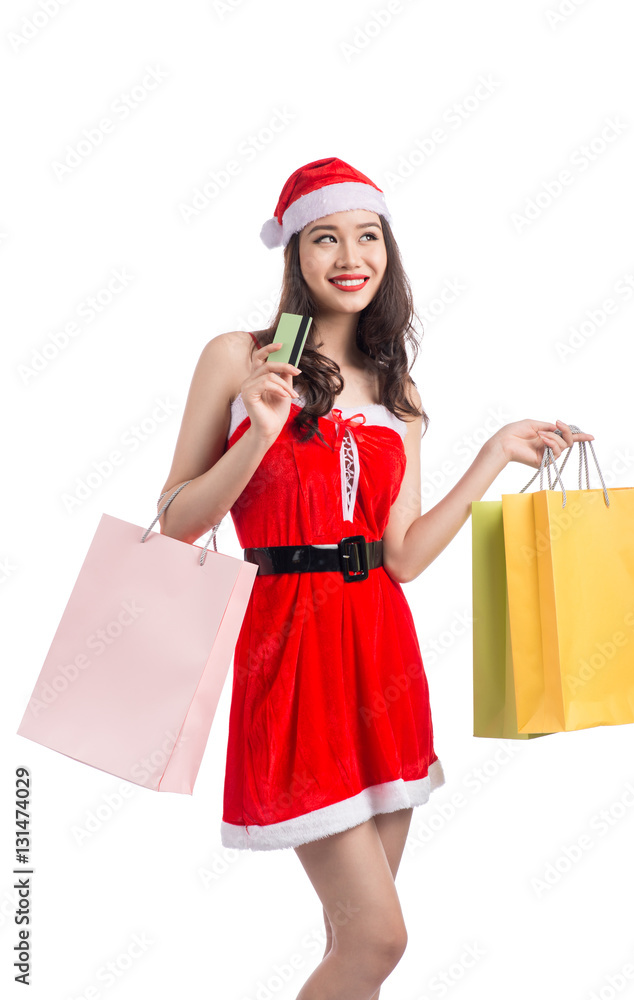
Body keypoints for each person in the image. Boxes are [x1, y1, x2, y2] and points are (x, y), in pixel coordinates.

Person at [157, 156, 594, 999]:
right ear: (294, 254)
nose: (349, 256)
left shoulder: (400, 390)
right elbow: (177, 522)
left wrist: (492, 456)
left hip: (381, 658)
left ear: (387, 253)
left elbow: (402, 557)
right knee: (379, 941)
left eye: (366, 236)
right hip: (287, 652)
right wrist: (257, 433)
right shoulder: (237, 357)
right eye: (325, 237)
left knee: (353, 940)